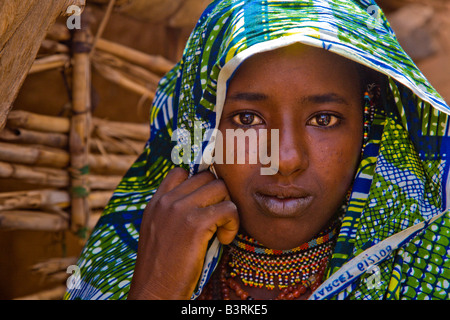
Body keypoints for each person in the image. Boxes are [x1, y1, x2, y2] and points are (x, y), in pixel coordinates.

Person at [64, 0, 450, 300]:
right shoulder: (125, 263)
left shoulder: (430, 267)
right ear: (203, 129)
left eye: (324, 120)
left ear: (370, 127)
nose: (285, 160)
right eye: (247, 120)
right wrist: (157, 288)